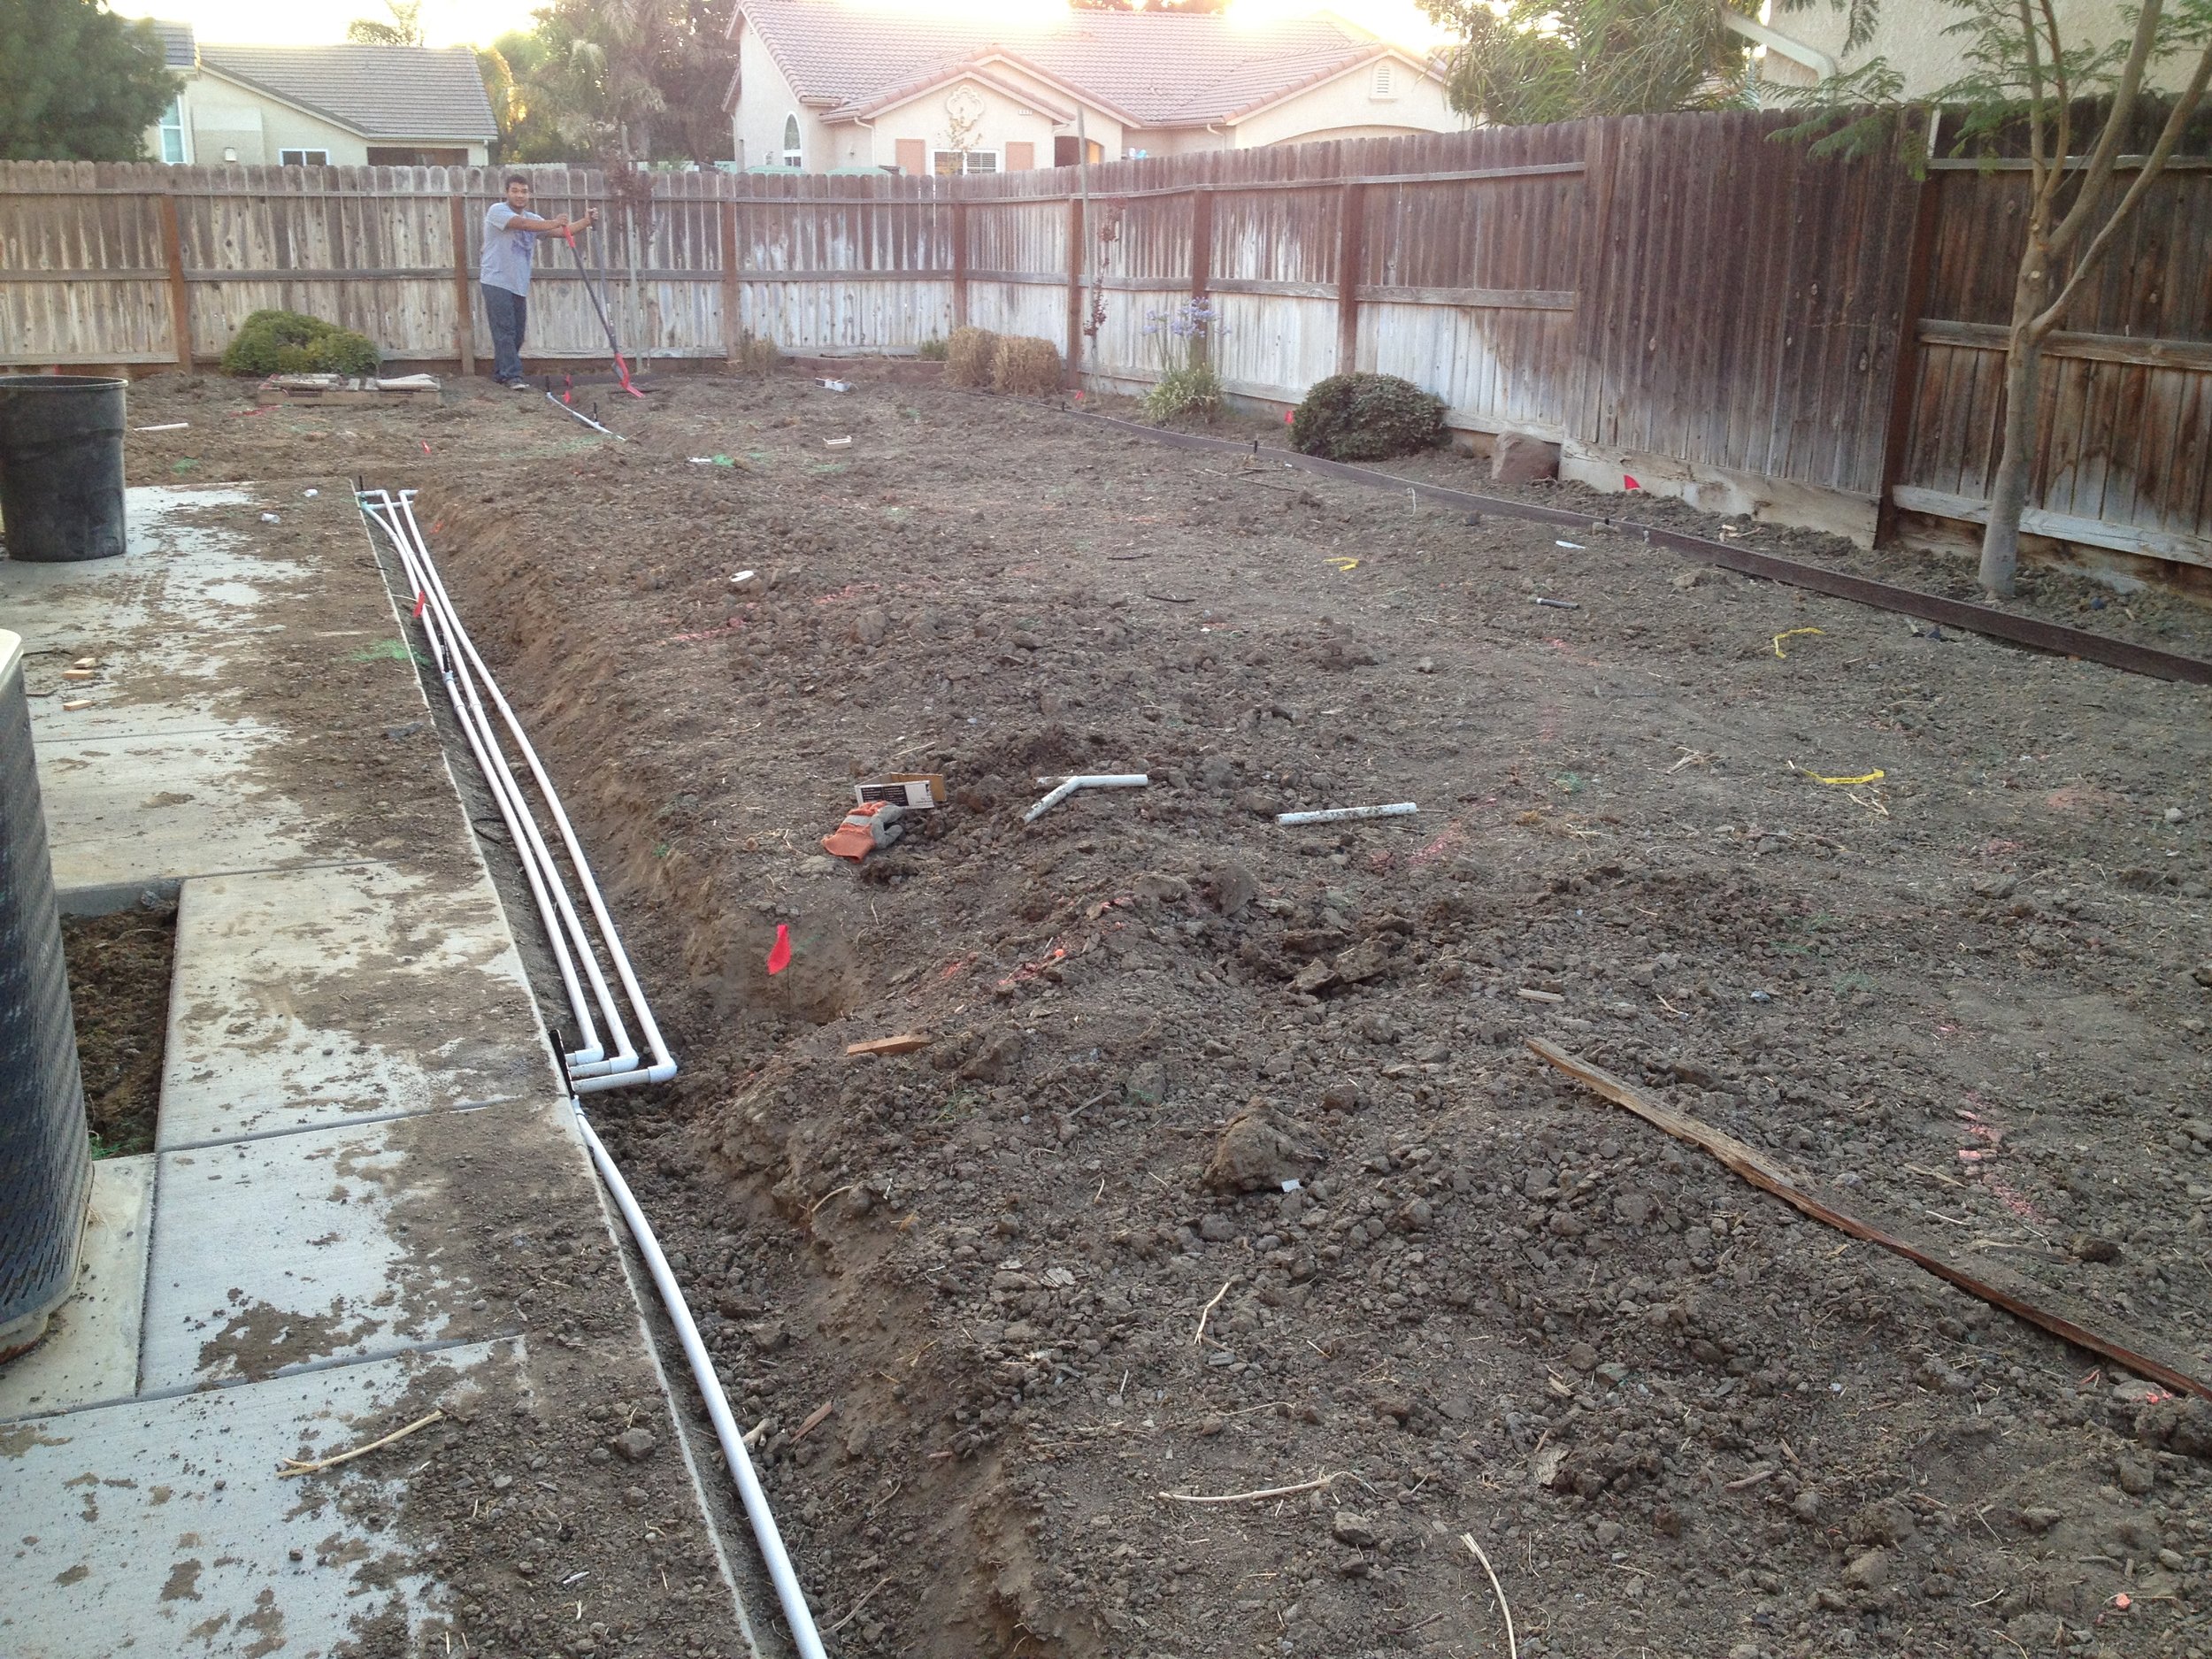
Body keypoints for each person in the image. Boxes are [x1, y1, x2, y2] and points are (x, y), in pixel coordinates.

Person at [480, 175, 595, 388]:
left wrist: (586, 222)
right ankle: (513, 377)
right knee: (505, 330)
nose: (520, 195)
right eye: (515, 191)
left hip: (518, 283)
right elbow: (522, 224)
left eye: (524, 191)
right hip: (496, 280)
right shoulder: (498, 211)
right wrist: (552, 221)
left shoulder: (533, 217)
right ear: (507, 192)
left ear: (528, 194)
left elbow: (561, 232)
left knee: (517, 334)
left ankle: (500, 374)